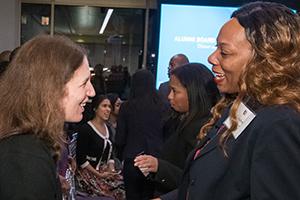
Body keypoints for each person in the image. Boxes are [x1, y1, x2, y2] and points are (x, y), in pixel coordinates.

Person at [161, 2, 300, 200]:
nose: (211, 58)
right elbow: (213, 185)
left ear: (264, 59)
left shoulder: (280, 123)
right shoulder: (241, 107)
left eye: (224, 52)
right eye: (215, 49)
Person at [0, 35, 95, 199]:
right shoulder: (25, 156)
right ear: (52, 89)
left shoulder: (30, 146)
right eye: (84, 83)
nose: (92, 92)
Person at [134, 63, 220, 196]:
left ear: (193, 93)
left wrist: (159, 167)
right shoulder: (178, 120)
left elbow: (196, 181)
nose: (169, 96)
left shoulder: (203, 129)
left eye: (175, 91)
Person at [115, 69, 167, 200]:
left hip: (132, 159)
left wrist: (120, 156)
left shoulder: (127, 107)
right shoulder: (163, 106)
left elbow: (120, 138)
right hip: (156, 161)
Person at [76, 95, 125, 200]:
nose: (108, 109)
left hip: (103, 171)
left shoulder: (108, 128)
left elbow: (110, 154)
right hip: (88, 174)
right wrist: (99, 174)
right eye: (104, 106)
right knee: (117, 193)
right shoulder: (86, 129)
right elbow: (81, 160)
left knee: (124, 186)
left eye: (109, 107)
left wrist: (111, 169)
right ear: (95, 108)